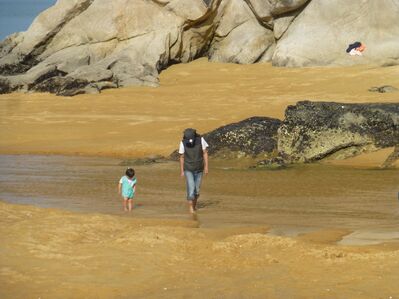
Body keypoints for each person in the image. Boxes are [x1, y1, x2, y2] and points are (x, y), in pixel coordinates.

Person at [179, 128, 209, 213]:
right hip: (188, 169)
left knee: (197, 191)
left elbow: (205, 152)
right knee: (191, 189)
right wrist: (182, 170)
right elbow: (181, 157)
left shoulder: (201, 140)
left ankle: (194, 206)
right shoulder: (182, 143)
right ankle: (191, 209)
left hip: (199, 168)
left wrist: (206, 167)